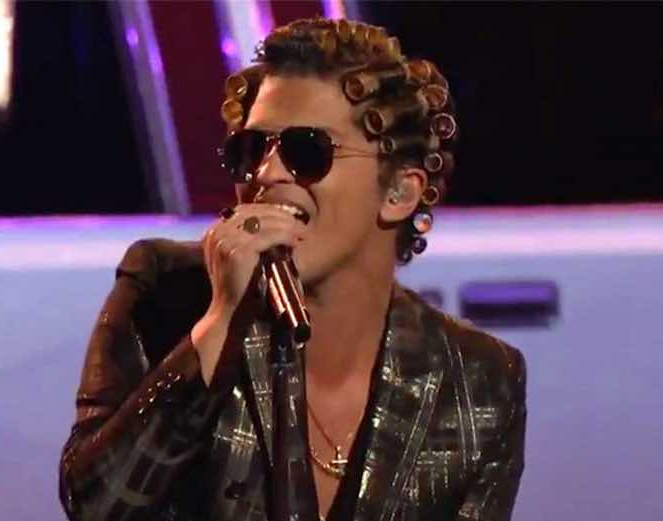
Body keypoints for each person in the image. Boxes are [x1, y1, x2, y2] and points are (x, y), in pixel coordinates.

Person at [59, 17, 526, 521]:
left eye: (307, 150)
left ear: (398, 193)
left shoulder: (477, 381)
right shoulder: (167, 294)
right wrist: (219, 324)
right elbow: (96, 506)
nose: (266, 173)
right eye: (250, 150)